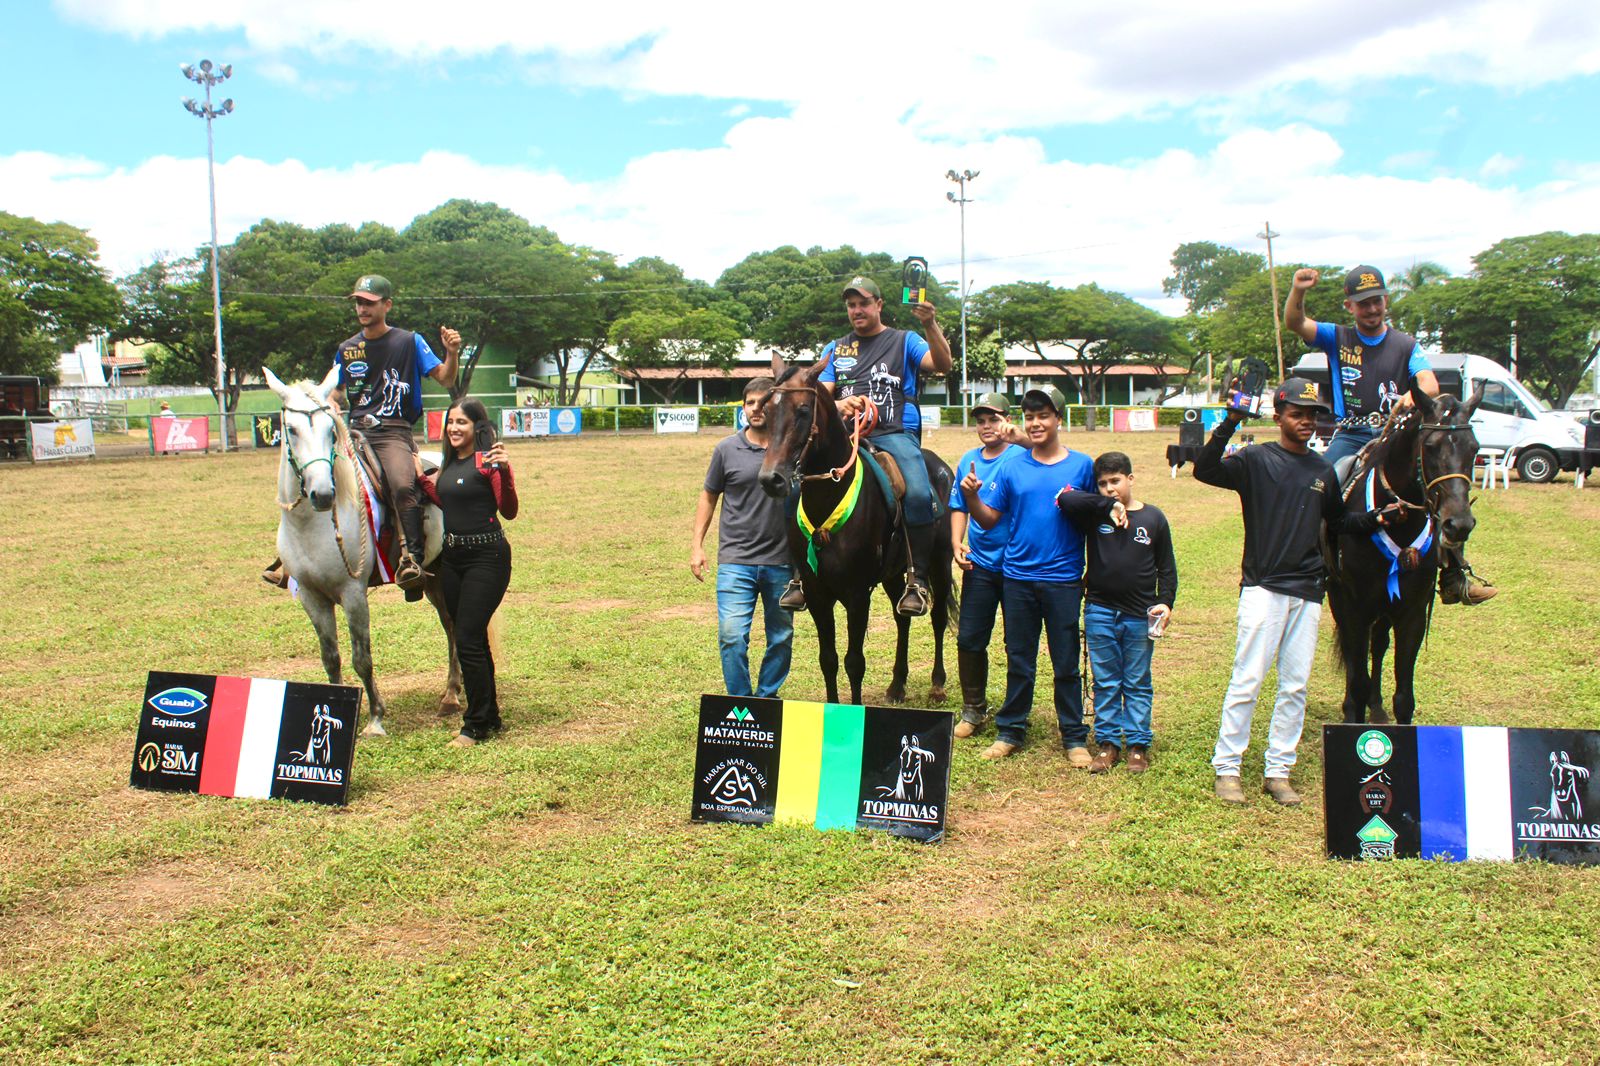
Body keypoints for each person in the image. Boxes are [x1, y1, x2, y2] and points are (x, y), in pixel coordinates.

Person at [1196, 376, 1396, 806]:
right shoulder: (1255, 459)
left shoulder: (1322, 471)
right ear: (1278, 416)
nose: (1307, 422)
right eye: (1297, 414)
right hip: (1264, 588)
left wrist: (1377, 518)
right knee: (1247, 681)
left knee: (1295, 687)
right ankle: (1227, 769)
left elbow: (1338, 522)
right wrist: (1230, 420)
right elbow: (1204, 469)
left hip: (1308, 591)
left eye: (1313, 416)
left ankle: (1278, 771)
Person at [1286, 264, 1493, 606]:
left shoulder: (1406, 345)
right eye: (1363, 303)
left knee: (1441, 486)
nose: (1372, 308)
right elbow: (1295, 322)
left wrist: (1413, 395)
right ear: (1349, 306)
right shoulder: (1336, 337)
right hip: (1351, 434)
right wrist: (1299, 289)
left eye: (1377, 300)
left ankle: (1453, 573)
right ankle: (1308, 568)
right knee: (1318, 485)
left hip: (1397, 435)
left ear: (1385, 301)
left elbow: (1428, 381)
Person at [780, 275, 953, 617]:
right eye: (851, 305)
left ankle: (916, 579)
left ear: (879, 305)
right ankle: (798, 576)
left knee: (919, 493)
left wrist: (930, 324)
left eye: (863, 303)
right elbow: (821, 394)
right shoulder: (836, 348)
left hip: (893, 433)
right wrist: (840, 405)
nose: (857, 310)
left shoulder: (905, 340)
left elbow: (942, 365)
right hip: (841, 437)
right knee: (792, 490)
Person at [959, 385, 1096, 763]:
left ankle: (1074, 737)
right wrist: (971, 497)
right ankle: (1010, 731)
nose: (1036, 423)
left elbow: (1095, 520)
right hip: (1017, 577)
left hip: (1063, 579)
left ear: (1058, 419)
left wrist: (1094, 571)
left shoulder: (1082, 466)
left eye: (1043, 416)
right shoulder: (1013, 465)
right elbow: (989, 518)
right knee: (1020, 658)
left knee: (1065, 661)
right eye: (1030, 417)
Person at [1056, 452, 1177, 774]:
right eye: (1103, 483)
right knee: (1106, 681)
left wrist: (1166, 601)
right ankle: (1108, 744)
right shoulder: (1097, 515)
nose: (1110, 488)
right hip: (1100, 611)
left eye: (1116, 481)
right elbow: (1065, 499)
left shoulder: (1153, 518)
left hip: (1139, 613)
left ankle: (1138, 745)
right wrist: (1106, 505)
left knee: (1137, 681)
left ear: (1131, 479)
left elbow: (1166, 567)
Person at [415, 398, 516, 747]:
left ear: (477, 427)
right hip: (453, 559)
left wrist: (505, 471)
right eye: (451, 422)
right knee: (474, 641)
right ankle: (490, 716)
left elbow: (509, 510)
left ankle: (474, 725)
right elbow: (449, 501)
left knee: (469, 638)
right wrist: (421, 477)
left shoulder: (488, 462)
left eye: (462, 422)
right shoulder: (449, 464)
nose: (454, 428)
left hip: (487, 557)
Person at [690, 377, 794, 698]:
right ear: (743, 407)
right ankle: (742, 704)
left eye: (764, 402)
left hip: (782, 562)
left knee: (781, 637)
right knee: (732, 637)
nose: (756, 409)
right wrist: (697, 546)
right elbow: (708, 497)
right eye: (750, 403)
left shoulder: (791, 449)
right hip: (736, 561)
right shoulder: (726, 449)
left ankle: (766, 698)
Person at [949, 393, 1025, 739]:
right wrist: (956, 542)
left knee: (1016, 642)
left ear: (1008, 420)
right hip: (979, 564)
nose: (986, 426)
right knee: (969, 637)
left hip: (1017, 566)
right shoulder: (968, 459)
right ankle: (973, 709)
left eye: (993, 419)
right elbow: (958, 506)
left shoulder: (1021, 455)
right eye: (980, 421)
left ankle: (1015, 713)